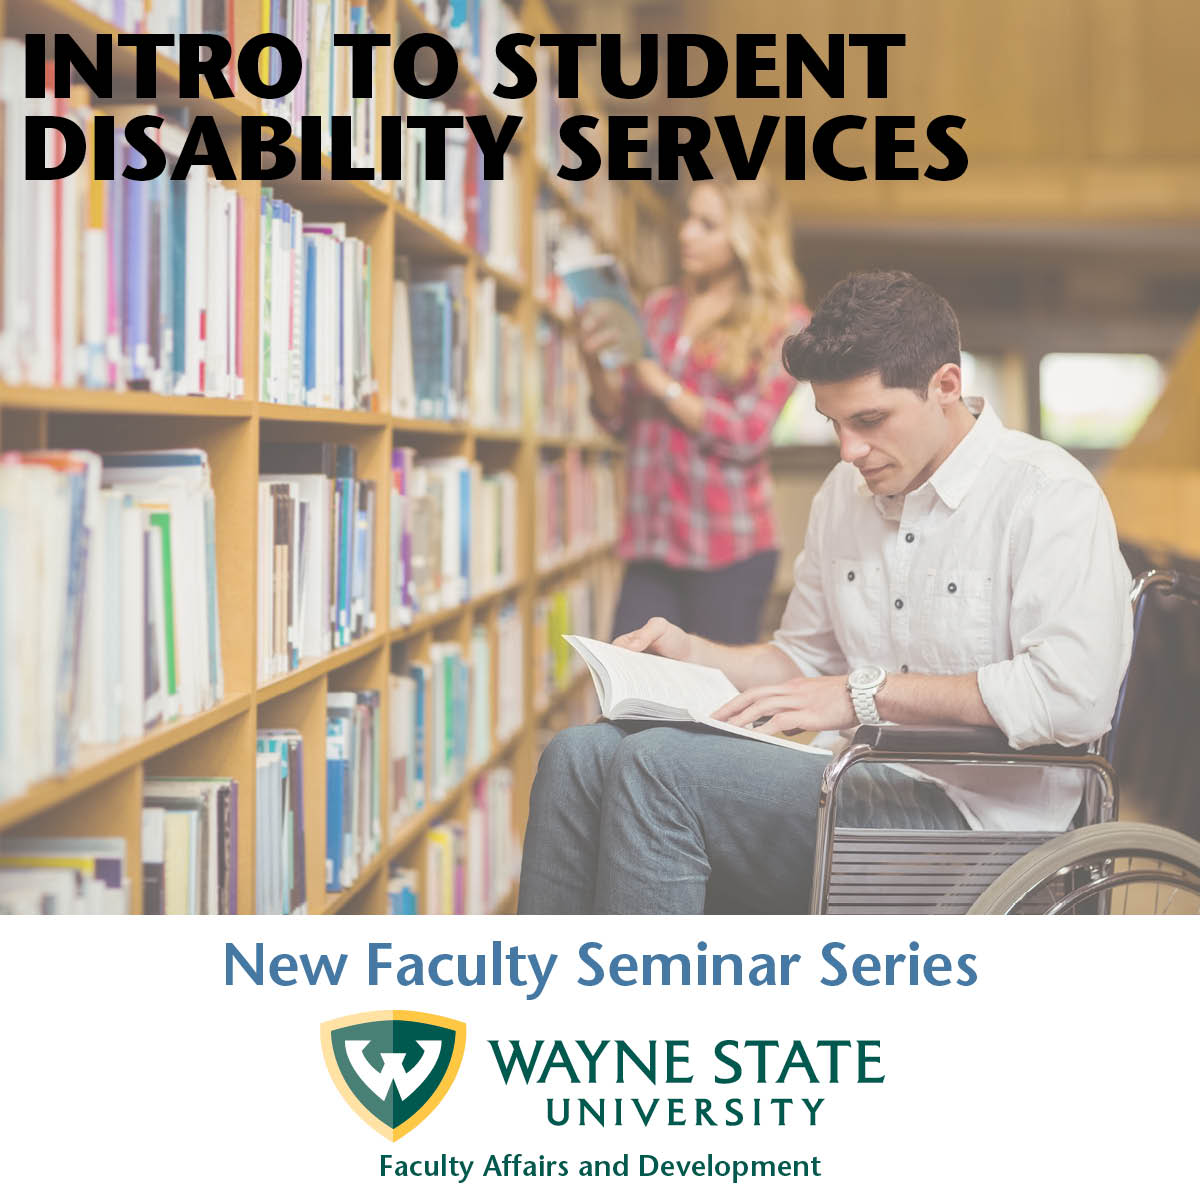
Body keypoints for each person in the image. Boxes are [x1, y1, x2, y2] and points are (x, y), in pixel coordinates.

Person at [519, 270, 1133, 915]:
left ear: (946, 385)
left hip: (987, 823)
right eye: (833, 423)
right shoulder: (845, 495)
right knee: (577, 755)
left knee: (657, 768)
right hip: (857, 779)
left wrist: (860, 695)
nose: (849, 450)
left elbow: (1074, 698)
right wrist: (694, 652)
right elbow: (801, 660)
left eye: (870, 419)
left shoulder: (1047, 494)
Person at [579, 174, 809, 645]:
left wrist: (656, 380)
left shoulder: (785, 324)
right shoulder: (660, 308)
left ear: (748, 236)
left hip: (729, 548)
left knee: (712, 705)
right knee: (625, 685)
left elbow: (747, 432)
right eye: (688, 219)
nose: (686, 233)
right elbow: (620, 419)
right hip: (650, 540)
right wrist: (592, 364)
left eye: (708, 225)